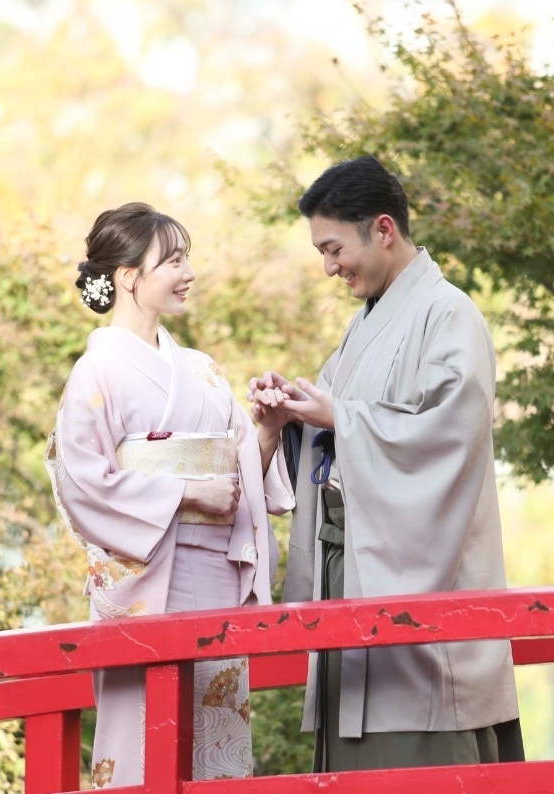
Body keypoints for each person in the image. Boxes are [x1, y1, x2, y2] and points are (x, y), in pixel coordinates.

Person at [248, 156, 523, 772]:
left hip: (411, 583)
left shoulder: (449, 314)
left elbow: (451, 437)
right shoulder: (364, 324)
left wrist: (340, 418)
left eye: (333, 249)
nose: (329, 267)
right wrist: (292, 415)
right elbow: (333, 427)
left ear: (383, 229)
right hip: (349, 573)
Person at [45, 202, 293, 789]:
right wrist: (188, 494)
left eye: (188, 260)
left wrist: (268, 430)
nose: (189, 273)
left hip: (213, 578)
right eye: (174, 261)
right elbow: (83, 481)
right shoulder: (96, 373)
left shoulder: (202, 370)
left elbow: (239, 482)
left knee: (215, 745)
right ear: (129, 275)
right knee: (141, 744)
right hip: (143, 580)